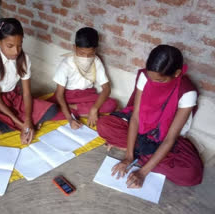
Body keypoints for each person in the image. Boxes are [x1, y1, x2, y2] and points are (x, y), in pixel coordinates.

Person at [97, 45, 203, 188]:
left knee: (191, 174)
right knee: (104, 124)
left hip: (161, 137)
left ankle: (138, 152)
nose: (153, 83)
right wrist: (128, 157)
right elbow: (135, 118)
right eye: (150, 78)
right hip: (141, 127)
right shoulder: (145, 76)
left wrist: (142, 172)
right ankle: (138, 153)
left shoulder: (187, 92)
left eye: (159, 81)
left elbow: (170, 139)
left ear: (177, 73)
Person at [0, 18, 57, 144]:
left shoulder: (24, 59)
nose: (15, 51)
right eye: (10, 46)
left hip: (13, 98)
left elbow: (26, 94)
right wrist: (22, 125)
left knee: (52, 109)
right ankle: (4, 128)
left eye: (19, 45)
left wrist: (28, 120)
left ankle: (1, 130)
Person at [48, 27, 117, 129]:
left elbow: (106, 89)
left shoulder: (96, 61)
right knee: (49, 109)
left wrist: (94, 109)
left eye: (90, 54)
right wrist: (70, 119)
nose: (86, 58)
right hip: (68, 96)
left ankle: (74, 108)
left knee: (112, 104)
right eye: (82, 54)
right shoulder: (66, 64)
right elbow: (59, 95)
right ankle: (80, 111)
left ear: (95, 50)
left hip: (87, 95)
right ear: (75, 47)